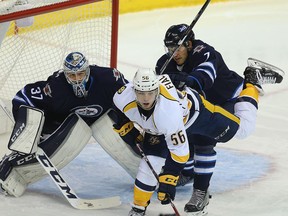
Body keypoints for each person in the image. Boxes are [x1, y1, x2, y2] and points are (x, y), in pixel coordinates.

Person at [111, 67, 282, 216]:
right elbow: (115, 108)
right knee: (150, 163)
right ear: (134, 91)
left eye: (150, 93)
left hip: (197, 115)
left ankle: (252, 82)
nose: (146, 99)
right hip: (160, 127)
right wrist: (124, 125)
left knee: (243, 129)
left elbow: (180, 152)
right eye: (141, 93)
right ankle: (138, 208)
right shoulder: (123, 97)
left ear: (157, 90)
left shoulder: (167, 113)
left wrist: (169, 179)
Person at [0, 51, 129, 197]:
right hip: (63, 122)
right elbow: (23, 97)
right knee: (66, 141)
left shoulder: (108, 78)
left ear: (87, 71)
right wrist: (29, 130)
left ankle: (153, 174)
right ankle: (13, 168)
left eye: (80, 74)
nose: (77, 79)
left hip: (108, 119)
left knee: (126, 139)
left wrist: (132, 121)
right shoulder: (56, 87)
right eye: (71, 75)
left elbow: (135, 97)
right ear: (65, 74)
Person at [155, 23, 245, 188]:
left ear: (189, 44)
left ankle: (253, 80)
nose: (173, 53)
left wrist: (187, 81)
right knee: (182, 131)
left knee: (208, 139)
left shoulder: (204, 52)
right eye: (169, 48)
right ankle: (188, 173)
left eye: (177, 47)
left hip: (228, 98)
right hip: (203, 103)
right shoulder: (163, 64)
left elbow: (206, 76)